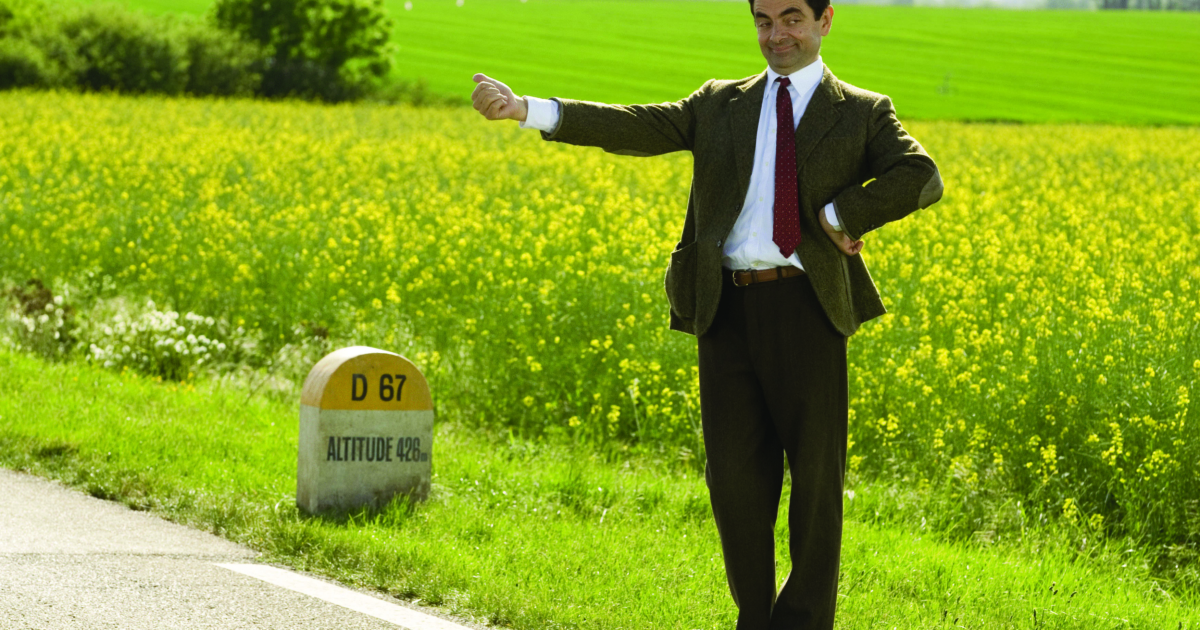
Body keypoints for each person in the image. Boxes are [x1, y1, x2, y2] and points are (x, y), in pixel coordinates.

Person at [470, 0, 942, 627]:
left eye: (792, 18)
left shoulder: (861, 110)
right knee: (735, 485)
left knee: (816, 483)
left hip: (808, 309)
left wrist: (840, 215)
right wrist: (527, 109)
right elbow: (637, 125)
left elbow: (921, 175)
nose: (776, 34)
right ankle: (755, 617)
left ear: (825, 21)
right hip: (724, 308)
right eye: (764, 21)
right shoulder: (720, 102)